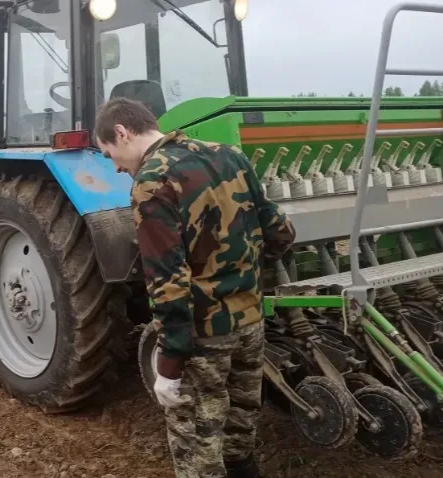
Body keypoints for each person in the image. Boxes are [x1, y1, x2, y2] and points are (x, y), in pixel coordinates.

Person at [94, 97, 296, 478]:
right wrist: (248, 277)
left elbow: (167, 282)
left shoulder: (151, 183)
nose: (117, 167)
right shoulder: (228, 155)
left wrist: (168, 366)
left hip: (205, 333)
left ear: (121, 132)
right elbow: (280, 233)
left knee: (198, 445)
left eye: (109, 154)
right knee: (240, 427)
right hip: (250, 321)